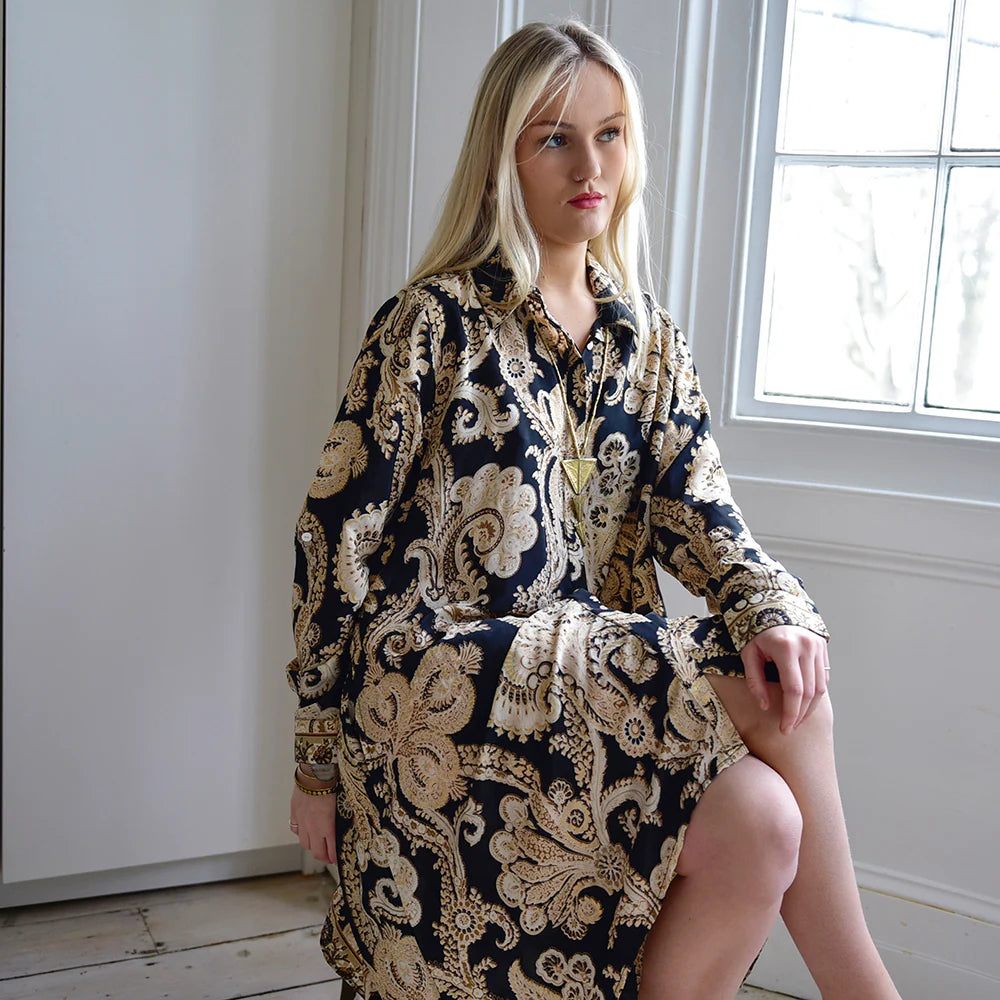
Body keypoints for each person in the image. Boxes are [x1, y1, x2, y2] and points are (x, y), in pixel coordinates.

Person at [286, 20, 902, 1000]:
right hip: (437, 678)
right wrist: (316, 761)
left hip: (588, 689)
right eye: (555, 139)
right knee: (762, 681)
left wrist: (772, 604)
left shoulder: (648, 341)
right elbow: (334, 539)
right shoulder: (430, 323)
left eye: (610, 134)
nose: (591, 166)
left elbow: (703, 513)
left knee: (764, 813)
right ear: (504, 157)